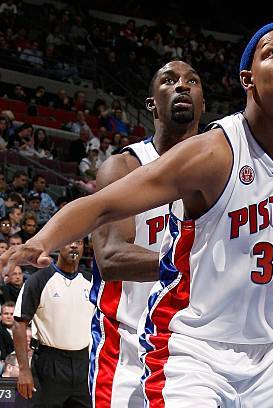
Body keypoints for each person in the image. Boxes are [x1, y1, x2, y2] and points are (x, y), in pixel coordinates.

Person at [0, 23, 273, 406]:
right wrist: (39, 241)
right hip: (194, 347)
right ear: (247, 80)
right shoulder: (213, 152)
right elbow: (102, 205)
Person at [89, 60, 204, 407]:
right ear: (152, 102)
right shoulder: (122, 167)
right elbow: (110, 257)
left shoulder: (224, 171)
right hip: (126, 346)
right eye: (169, 81)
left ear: (203, 102)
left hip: (195, 346)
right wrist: (197, 267)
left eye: (192, 81)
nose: (182, 85)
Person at [13, 239, 93, 406]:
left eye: (78, 242)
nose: (73, 245)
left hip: (83, 363)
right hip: (49, 362)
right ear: (58, 246)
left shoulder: (91, 281)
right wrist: (23, 370)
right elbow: (19, 324)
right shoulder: (39, 280)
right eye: (69, 241)